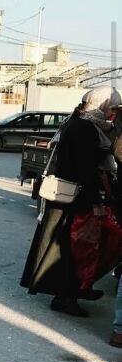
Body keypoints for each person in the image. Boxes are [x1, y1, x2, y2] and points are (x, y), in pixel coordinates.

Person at [21, 86, 121, 317]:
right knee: (72, 250)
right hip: (76, 199)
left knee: (78, 248)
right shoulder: (85, 128)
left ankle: (79, 289)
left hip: (71, 198)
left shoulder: (79, 121)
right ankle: (65, 298)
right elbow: (85, 169)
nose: (113, 114)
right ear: (102, 106)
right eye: (112, 108)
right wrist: (96, 200)